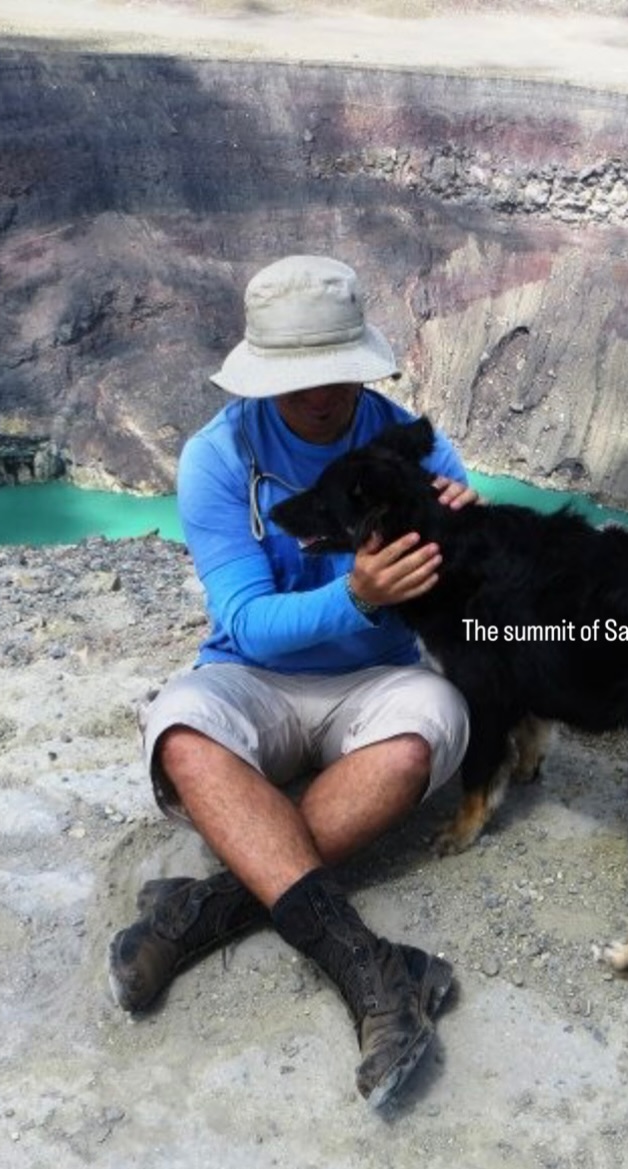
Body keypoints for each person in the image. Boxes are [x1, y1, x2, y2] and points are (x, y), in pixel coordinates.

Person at [108, 254, 476, 1108]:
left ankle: (209, 906)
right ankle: (374, 971)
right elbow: (245, 620)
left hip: (377, 682)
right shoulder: (217, 458)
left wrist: (467, 537)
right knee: (183, 730)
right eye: (300, 379)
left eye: (335, 373)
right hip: (254, 679)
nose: (323, 395)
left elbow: (467, 577)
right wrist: (357, 594)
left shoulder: (414, 445)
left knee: (427, 728)